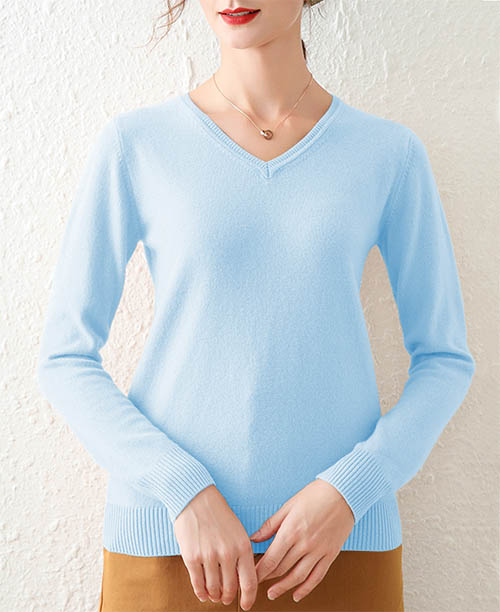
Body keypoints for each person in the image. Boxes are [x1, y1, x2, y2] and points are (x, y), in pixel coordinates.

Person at [36, 1, 476, 610]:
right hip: (169, 544)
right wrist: (183, 491)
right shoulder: (136, 144)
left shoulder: (387, 153)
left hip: (338, 547)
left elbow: (446, 360)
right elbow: (64, 358)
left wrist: (351, 491)